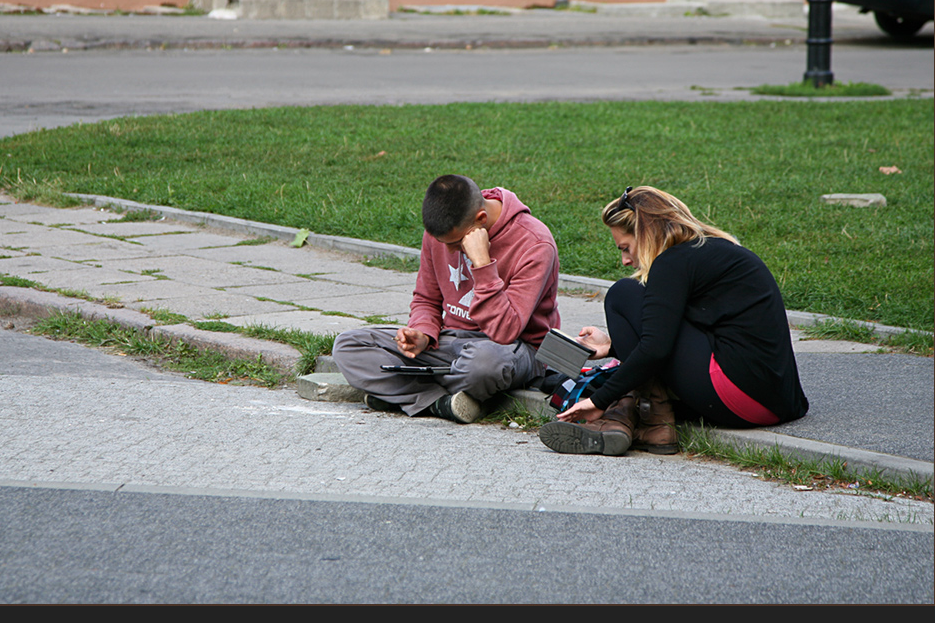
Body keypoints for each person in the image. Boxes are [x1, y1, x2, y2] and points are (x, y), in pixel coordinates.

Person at [539, 186, 809, 457]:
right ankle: (645, 419)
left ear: (645, 236)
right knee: (634, 300)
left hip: (737, 398)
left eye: (626, 248)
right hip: (777, 403)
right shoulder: (710, 252)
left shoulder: (671, 263)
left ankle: (650, 419)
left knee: (623, 294)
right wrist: (612, 346)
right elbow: (681, 333)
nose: (624, 260)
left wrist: (598, 400)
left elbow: (657, 348)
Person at [332, 174, 560, 423]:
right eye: (443, 243)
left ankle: (402, 392)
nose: (449, 250)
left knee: (483, 367)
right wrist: (422, 333)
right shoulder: (442, 231)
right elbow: (426, 299)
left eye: (455, 244)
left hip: (513, 349)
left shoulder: (535, 243)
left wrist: (482, 264)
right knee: (348, 346)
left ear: (480, 220)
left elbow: (505, 331)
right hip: (453, 343)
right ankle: (440, 403)